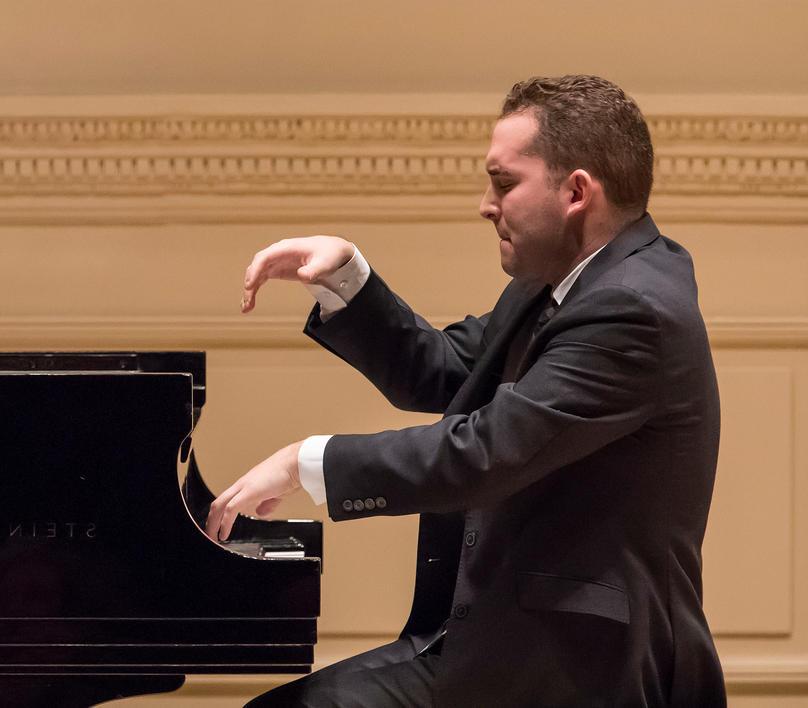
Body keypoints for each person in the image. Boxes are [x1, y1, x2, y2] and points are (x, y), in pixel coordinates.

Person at [206, 75, 726, 707]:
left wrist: (303, 463)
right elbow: (446, 370)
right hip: (506, 645)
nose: (486, 203)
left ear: (576, 192)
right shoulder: (561, 284)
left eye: (504, 182)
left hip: (582, 668)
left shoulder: (633, 309)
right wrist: (346, 275)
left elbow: (485, 452)